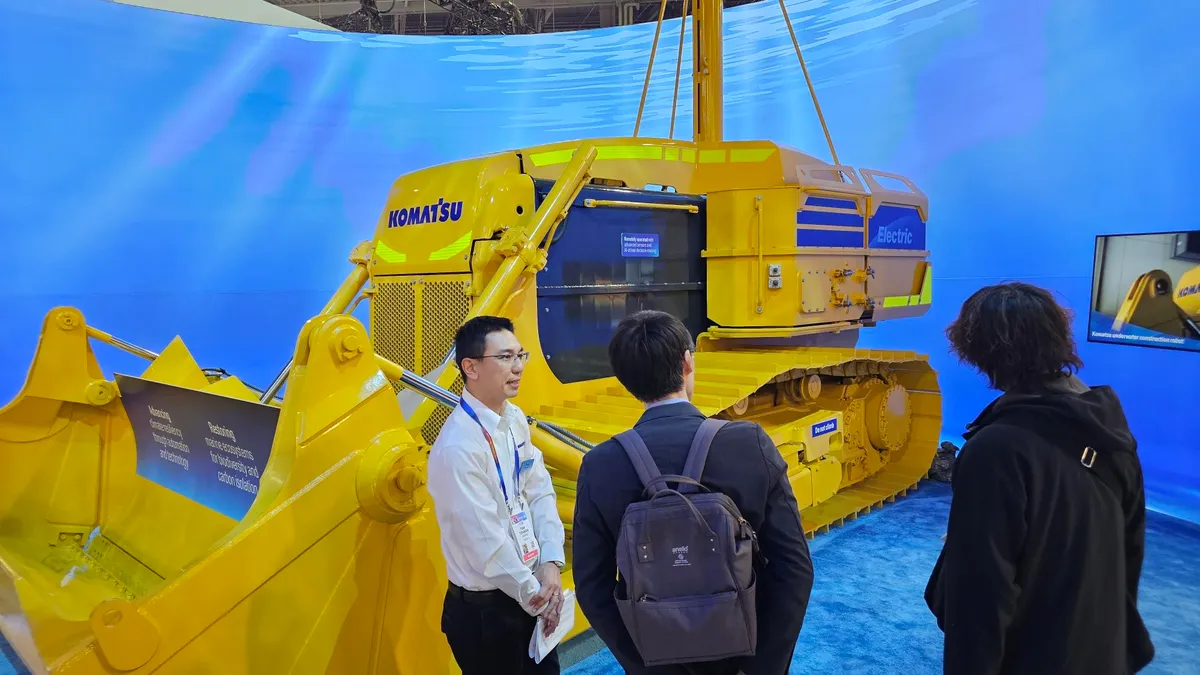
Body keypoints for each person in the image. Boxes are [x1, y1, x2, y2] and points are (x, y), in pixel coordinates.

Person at [925, 282, 1155, 675]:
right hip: (1101, 649)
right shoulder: (1107, 424)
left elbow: (981, 594)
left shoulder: (995, 448)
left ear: (977, 349)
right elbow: (1130, 545)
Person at [572, 310, 814, 675]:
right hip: (743, 656)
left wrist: (644, 665)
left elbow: (592, 587)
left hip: (655, 655)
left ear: (624, 380)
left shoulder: (601, 464)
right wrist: (764, 666)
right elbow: (794, 568)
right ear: (687, 362)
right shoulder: (748, 444)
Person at [426, 315, 568, 675]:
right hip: (487, 614)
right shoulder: (458, 447)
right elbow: (485, 545)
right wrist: (538, 596)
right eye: (505, 358)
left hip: (528, 593)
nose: (518, 367)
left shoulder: (514, 419)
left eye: (521, 356)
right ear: (470, 367)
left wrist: (551, 561)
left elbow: (538, 490)